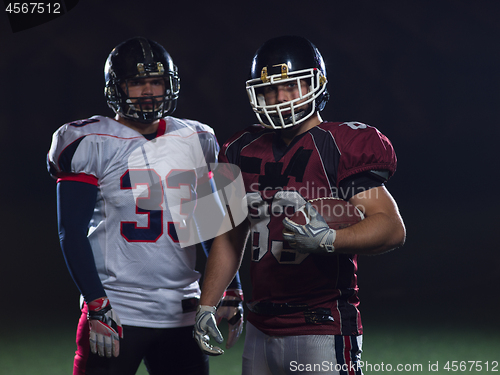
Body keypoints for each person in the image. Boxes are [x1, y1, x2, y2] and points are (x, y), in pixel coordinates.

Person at [193, 35, 406, 374]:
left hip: (320, 324)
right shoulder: (239, 149)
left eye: (291, 86)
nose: (280, 98)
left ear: (315, 84)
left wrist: (329, 241)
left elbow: (391, 227)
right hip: (260, 327)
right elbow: (231, 234)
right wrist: (207, 304)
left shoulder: (340, 144)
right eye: (270, 89)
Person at [47, 36, 243, 375]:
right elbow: (72, 231)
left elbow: (211, 226)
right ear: (117, 88)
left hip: (184, 311)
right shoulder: (90, 140)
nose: (149, 91)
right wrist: (96, 304)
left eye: (156, 81)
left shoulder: (194, 137)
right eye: (138, 82)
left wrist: (232, 288)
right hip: (118, 311)